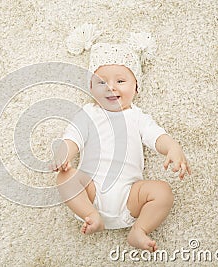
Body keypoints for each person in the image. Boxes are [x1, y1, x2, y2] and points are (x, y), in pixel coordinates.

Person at [51, 28, 191, 252]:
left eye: (121, 80)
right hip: (92, 191)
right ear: (90, 88)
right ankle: (91, 215)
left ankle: (139, 229)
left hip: (130, 195)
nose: (111, 87)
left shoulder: (137, 116)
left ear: (136, 87)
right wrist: (64, 154)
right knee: (65, 176)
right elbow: (73, 137)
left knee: (163, 192)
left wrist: (172, 147)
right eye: (101, 82)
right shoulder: (88, 113)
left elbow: (156, 136)